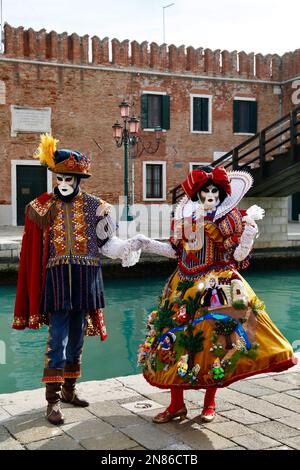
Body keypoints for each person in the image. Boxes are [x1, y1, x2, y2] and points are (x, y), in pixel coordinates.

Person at [133, 165, 297, 423]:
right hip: (183, 286)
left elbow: (238, 257)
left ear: (220, 194)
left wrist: (248, 237)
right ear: (197, 194)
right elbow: (176, 253)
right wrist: (147, 244)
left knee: (216, 343)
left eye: (214, 190)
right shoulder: (184, 221)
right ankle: (177, 405)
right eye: (205, 190)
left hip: (217, 286)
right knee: (175, 344)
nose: (210, 194)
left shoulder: (231, 220)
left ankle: (209, 405)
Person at [12, 134, 141, 425]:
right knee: (57, 338)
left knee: (78, 336)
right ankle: (52, 401)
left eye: (70, 177)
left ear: (79, 179)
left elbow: (108, 244)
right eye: (60, 177)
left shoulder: (98, 207)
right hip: (57, 281)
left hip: (86, 279)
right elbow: (33, 252)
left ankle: (70, 390)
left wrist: (129, 246)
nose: (65, 182)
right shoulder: (41, 207)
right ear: (55, 177)